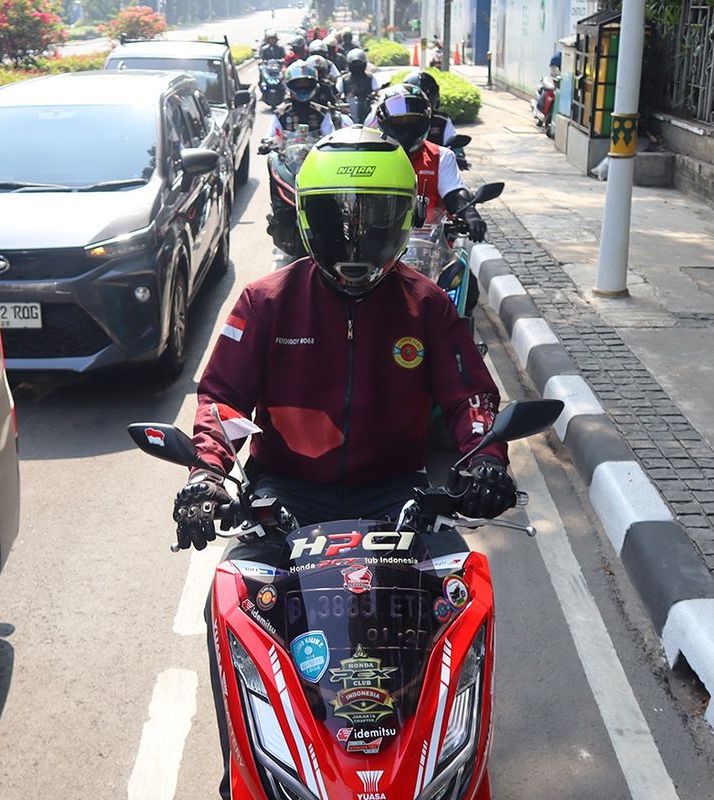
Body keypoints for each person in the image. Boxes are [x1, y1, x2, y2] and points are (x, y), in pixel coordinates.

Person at [176, 127, 517, 799]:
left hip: (397, 497)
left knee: (462, 598)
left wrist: (485, 461)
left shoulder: (428, 306)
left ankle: (454, 770)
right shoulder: (267, 302)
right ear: (307, 220)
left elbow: (471, 397)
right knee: (232, 608)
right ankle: (244, 774)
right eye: (338, 222)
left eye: (374, 221)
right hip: (285, 498)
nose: (356, 243)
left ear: (404, 219)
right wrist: (208, 474)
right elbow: (223, 399)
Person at [367, 85, 487, 240]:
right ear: (384, 121)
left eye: (413, 121)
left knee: (461, 263)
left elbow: (453, 193)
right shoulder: (370, 156)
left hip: (431, 248)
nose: (407, 127)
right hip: (379, 247)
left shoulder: (441, 156)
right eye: (400, 121)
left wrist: (470, 214)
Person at [402, 69, 468, 168]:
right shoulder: (396, 119)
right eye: (416, 101)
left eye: (427, 99)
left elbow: (453, 142)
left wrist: (458, 155)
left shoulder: (441, 121)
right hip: (398, 167)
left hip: (435, 169)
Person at [265, 60, 334, 140]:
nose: (302, 87)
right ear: (290, 85)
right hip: (286, 152)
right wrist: (268, 143)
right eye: (298, 83)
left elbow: (330, 136)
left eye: (305, 83)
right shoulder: (281, 113)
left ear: (313, 84)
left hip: (315, 152)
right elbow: (270, 136)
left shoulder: (322, 112)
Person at [337, 47, 379, 124]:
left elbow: (377, 93)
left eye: (359, 64)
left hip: (367, 111)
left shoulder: (371, 78)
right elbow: (338, 94)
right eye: (354, 64)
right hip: (349, 112)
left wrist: (375, 98)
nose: (357, 67)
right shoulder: (343, 79)